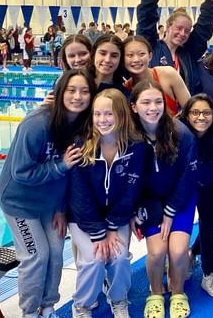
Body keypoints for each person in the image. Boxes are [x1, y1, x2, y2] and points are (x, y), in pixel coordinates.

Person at [0, 69, 95, 318]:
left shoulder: (80, 128)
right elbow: (21, 172)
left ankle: (48, 307)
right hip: (19, 201)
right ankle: (29, 312)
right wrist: (59, 165)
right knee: (36, 255)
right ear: (60, 92)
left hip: (50, 203)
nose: (78, 96)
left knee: (55, 254)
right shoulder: (37, 123)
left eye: (84, 91)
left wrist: (61, 208)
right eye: (71, 90)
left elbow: (69, 175)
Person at [68, 89, 148, 318]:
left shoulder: (136, 146)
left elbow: (130, 191)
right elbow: (79, 195)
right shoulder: (81, 145)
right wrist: (99, 233)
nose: (102, 120)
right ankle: (82, 305)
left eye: (109, 114)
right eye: (97, 114)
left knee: (120, 257)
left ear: (122, 115)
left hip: (117, 216)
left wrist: (112, 227)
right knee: (94, 260)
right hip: (83, 219)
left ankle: (118, 299)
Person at [130, 80, 197, 318]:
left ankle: (178, 292)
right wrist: (131, 211)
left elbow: (189, 176)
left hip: (180, 198)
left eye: (158, 101)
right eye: (146, 102)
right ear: (134, 106)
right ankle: (155, 293)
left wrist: (171, 210)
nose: (153, 107)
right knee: (157, 252)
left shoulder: (181, 133)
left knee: (178, 252)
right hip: (149, 201)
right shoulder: (130, 136)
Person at [179, 94, 213, 299]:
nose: (200, 117)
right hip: (187, 182)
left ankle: (206, 270)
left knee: (208, 224)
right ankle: (200, 263)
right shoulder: (178, 129)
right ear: (186, 115)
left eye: (206, 113)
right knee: (204, 225)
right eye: (195, 112)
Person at [124, 35, 191, 115]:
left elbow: (191, 110)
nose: (136, 60)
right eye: (130, 55)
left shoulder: (168, 74)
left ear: (150, 56)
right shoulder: (125, 89)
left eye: (141, 54)